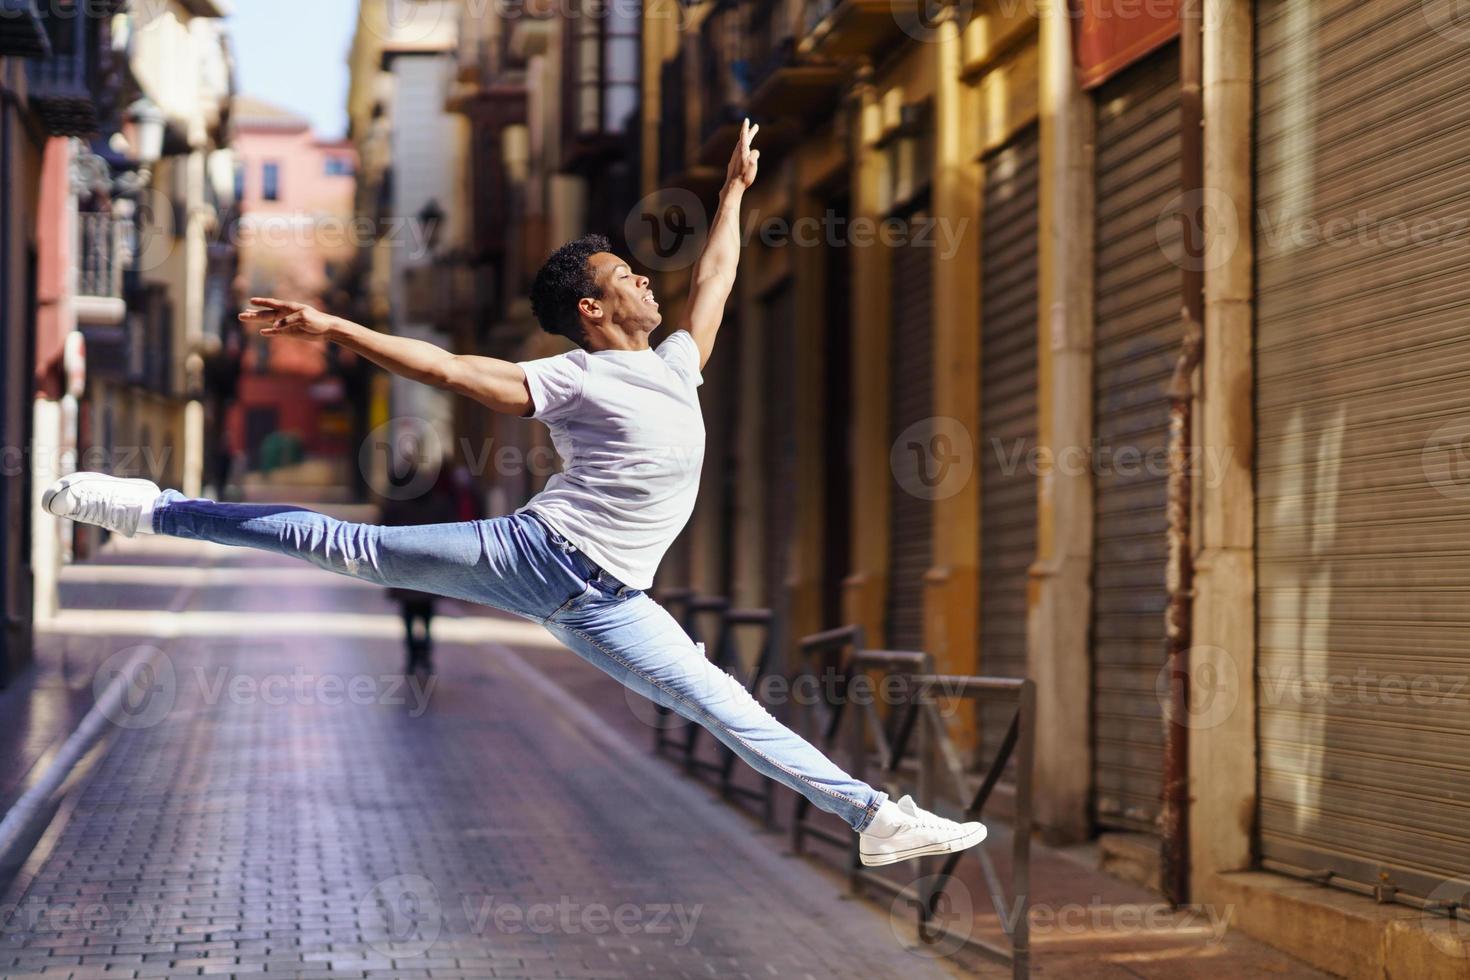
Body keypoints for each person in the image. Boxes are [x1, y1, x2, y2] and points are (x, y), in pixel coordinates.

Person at [43, 120, 984, 869]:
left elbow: (722, 274)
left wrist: (734, 191)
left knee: (725, 705)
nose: (649, 282)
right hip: (541, 556)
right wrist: (333, 326)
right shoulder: (574, 378)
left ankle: (874, 818)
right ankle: (148, 507)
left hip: (617, 605)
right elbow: (452, 369)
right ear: (592, 307)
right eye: (627, 277)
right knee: (345, 546)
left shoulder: (675, 366)